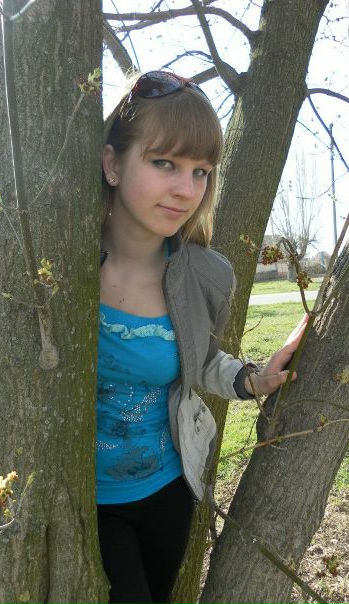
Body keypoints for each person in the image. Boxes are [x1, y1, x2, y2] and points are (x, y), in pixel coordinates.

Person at [97, 70, 307, 604]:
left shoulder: (203, 276)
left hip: (168, 492)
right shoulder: (63, 268)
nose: (186, 190)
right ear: (112, 164)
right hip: (86, 501)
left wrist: (252, 378)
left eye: (201, 172)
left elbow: (201, 357)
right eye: (164, 163)